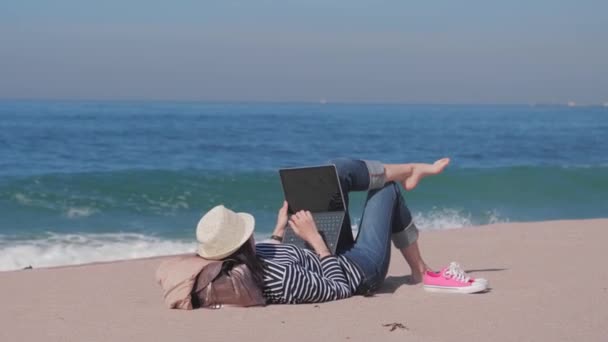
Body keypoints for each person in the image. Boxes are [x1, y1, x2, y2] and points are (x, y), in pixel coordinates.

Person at [194, 158, 487, 306]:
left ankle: (411, 168)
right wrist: (315, 240)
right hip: (357, 270)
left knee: (335, 172)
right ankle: (420, 272)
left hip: (319, 251)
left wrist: (280, 230)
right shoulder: (279, 280)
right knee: (387, 191)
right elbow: (338, 288)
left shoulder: (247, 260)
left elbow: (273, 251)